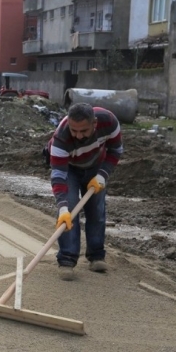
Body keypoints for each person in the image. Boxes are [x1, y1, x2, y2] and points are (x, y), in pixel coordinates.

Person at [49, 103, 123, 281]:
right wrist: (63, 208)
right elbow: (58, 175)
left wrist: (102, 175)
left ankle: (96, 256)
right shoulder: (61, 137)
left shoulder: (109, 122)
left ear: (94, 123)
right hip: (70, 170)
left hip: (96, 166)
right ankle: (66, 260)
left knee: (96, 211)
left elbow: (116, 150)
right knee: (70, 210)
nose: (78, 136)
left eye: (83, 131)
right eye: (74, 131)